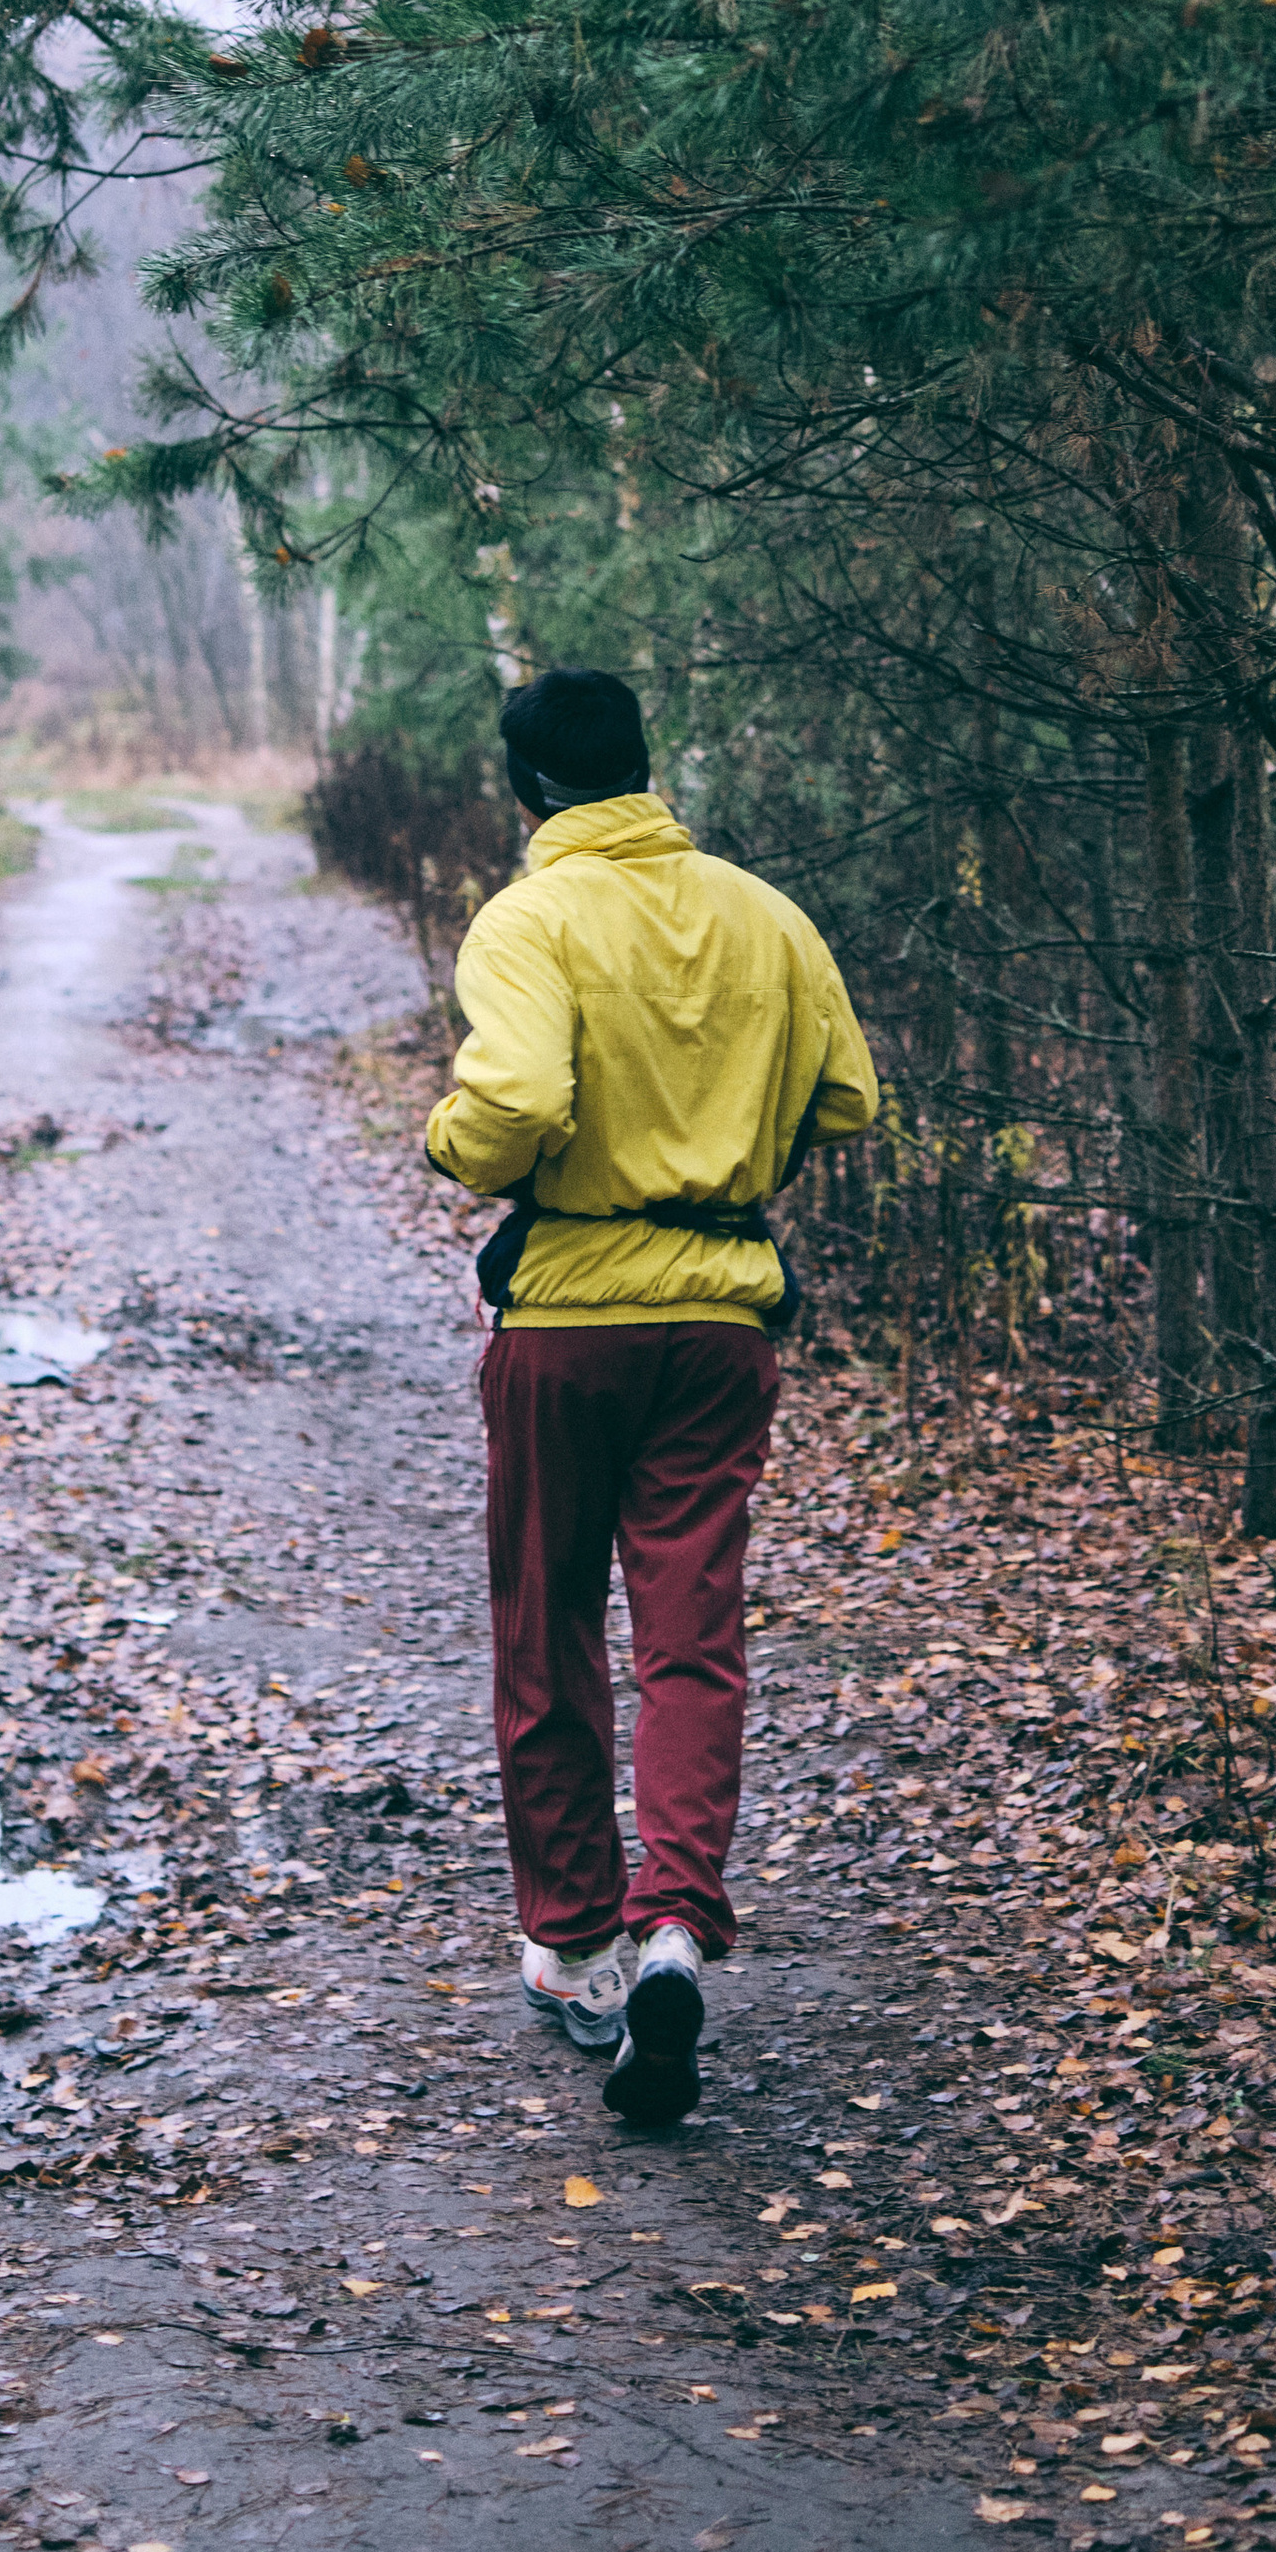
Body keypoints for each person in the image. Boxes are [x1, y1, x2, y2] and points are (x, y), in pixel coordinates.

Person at [425, 665, 878, 2127]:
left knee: (548, 1624)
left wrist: (450, 1142)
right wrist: (728, 1154)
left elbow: (513, 1108)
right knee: (691, 1633)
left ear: (527, 789)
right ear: (641, 766)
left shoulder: (531, 919)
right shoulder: (766, 916)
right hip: (722, 1324)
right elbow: (849, 1096)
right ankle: (677, 1920)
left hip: (568, 1323)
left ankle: (577, 1949)